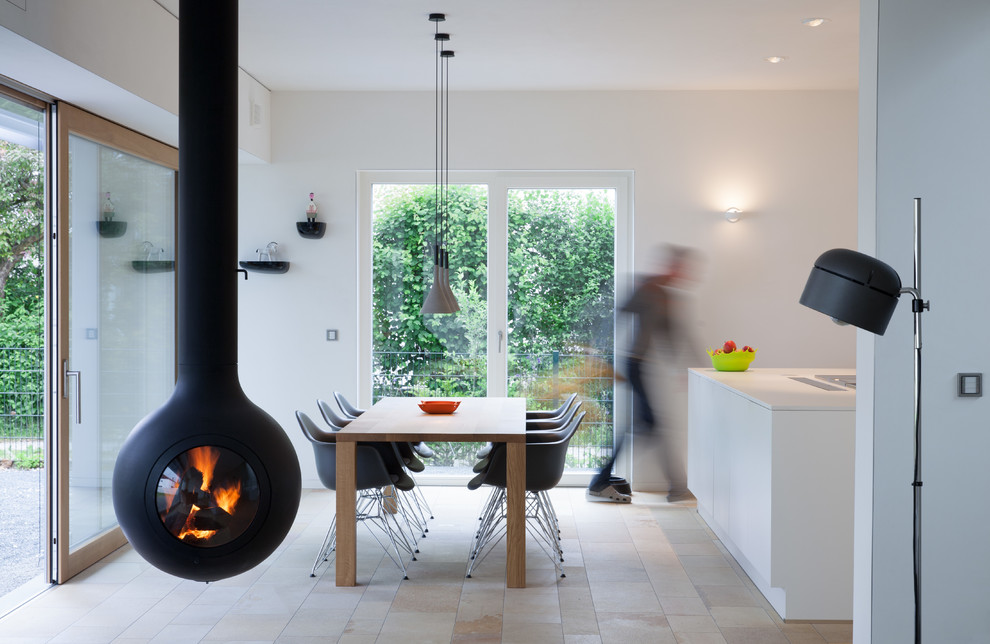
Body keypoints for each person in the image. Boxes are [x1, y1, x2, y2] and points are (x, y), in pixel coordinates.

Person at [587, 244, 699, 503]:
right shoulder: (649, 288)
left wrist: (688, 368)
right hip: (633, 363)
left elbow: (673, 333)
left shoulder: (666, 296)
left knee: (649, 425)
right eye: (681, 268)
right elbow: (620, 312)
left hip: (642, 364)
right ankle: (674, 485)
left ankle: (604, 480)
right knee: (654, 425)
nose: (684, 274)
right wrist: (599, 351)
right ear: (671, 267)